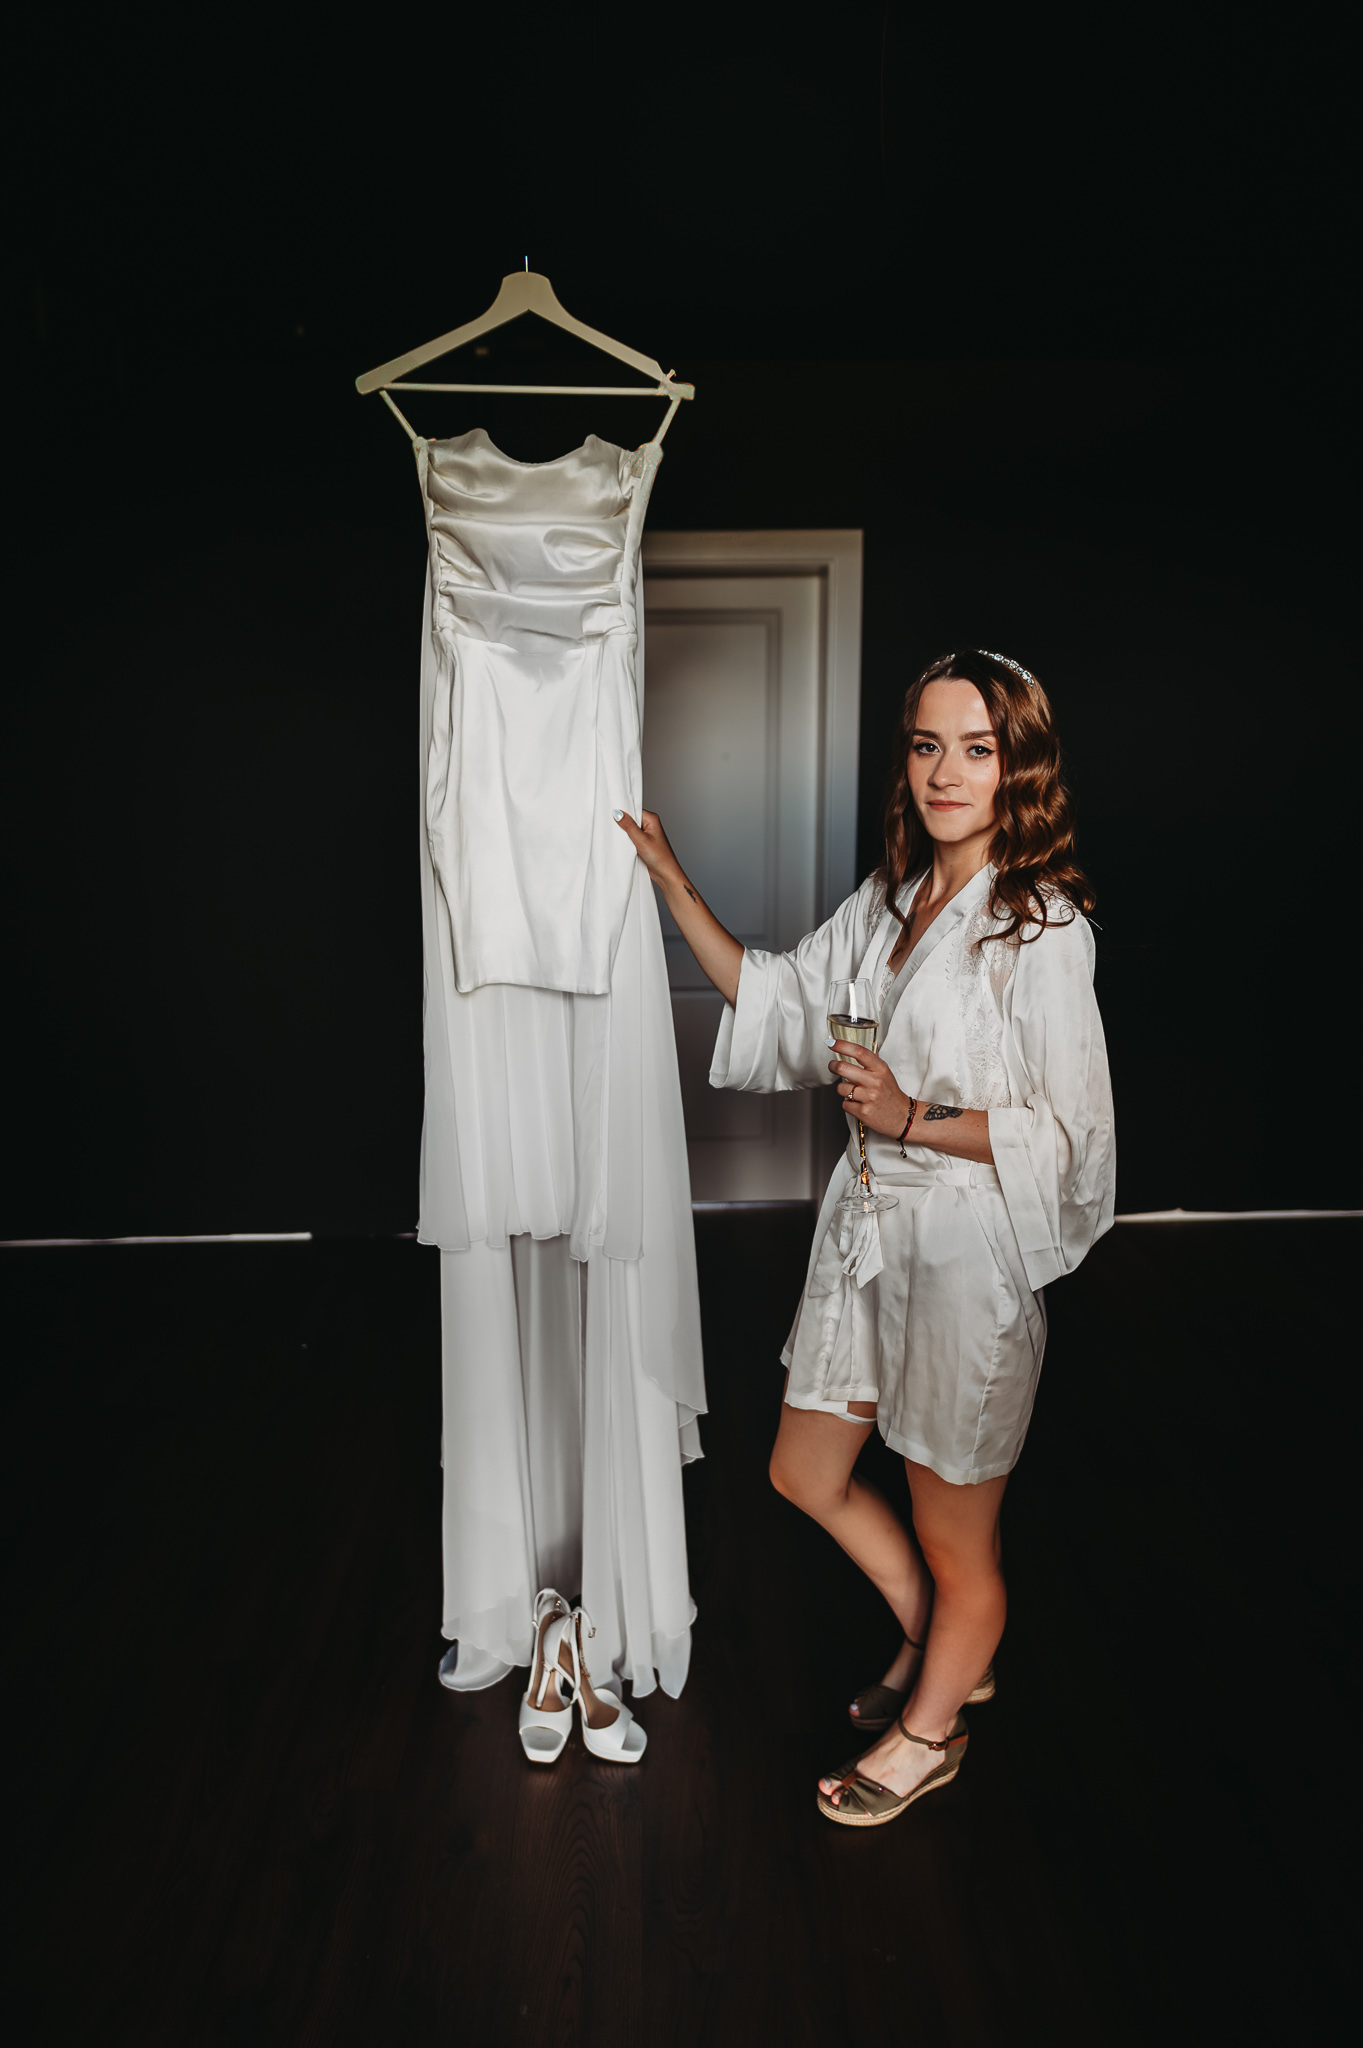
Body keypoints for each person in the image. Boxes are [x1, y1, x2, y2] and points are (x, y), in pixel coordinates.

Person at [614, 648, 1115, 1827]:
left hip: (967, 1252)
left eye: (977, 749)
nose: (946, 772)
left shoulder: (1040, 927)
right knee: (804, 1468)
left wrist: (910, 1114)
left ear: (1019, 767)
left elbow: (1074, 1139)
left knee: (957, 1540)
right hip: (866, 1234)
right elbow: (783, 998)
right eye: (927, 745)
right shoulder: (890, 901)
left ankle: (930, 1729)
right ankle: (945, 1645)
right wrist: (673, 883)